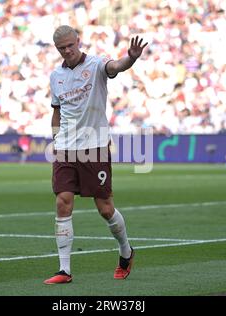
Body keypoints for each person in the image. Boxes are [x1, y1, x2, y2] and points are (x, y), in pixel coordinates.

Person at [44, 25, 148, 284]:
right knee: (62, 202)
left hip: (95, 146)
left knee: (105, 208)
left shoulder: (97, 63)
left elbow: (116, 67)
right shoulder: (55, 76)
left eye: (70, 45)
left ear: (78, 41)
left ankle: (126, 251)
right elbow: (57, 110)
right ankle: (64, 270)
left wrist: (131, 59)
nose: (67, 50)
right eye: (62, 48)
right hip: (65, 148)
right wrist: (55, 137)